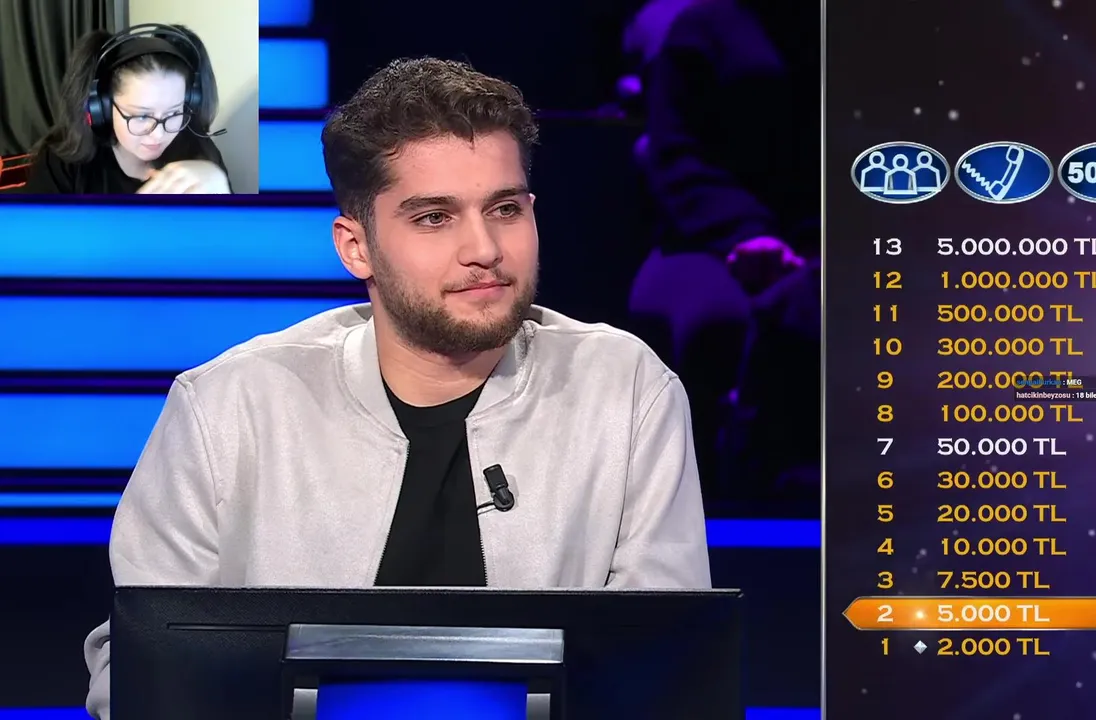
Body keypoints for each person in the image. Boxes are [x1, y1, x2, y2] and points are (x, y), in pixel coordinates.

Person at [81, 56, 710, 718]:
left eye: (505, 208)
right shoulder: (231, 407)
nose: (484, 248)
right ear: (356, 247)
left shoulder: (625, 391)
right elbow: (138, 667)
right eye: (435, 217)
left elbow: (668, 665)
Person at [626, 0, 820, 495]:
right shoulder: (704, 27)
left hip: (832, 237)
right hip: (713, 233)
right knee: (721, 319)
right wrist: (748, 233)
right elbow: (676, 153)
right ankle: (732, 493)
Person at [22, 24, 231, 195]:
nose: (159, 134)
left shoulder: (200, 152)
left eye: (174, 113)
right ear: (102, 108)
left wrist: (221, 195)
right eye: (142, 116)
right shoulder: (62, 163)